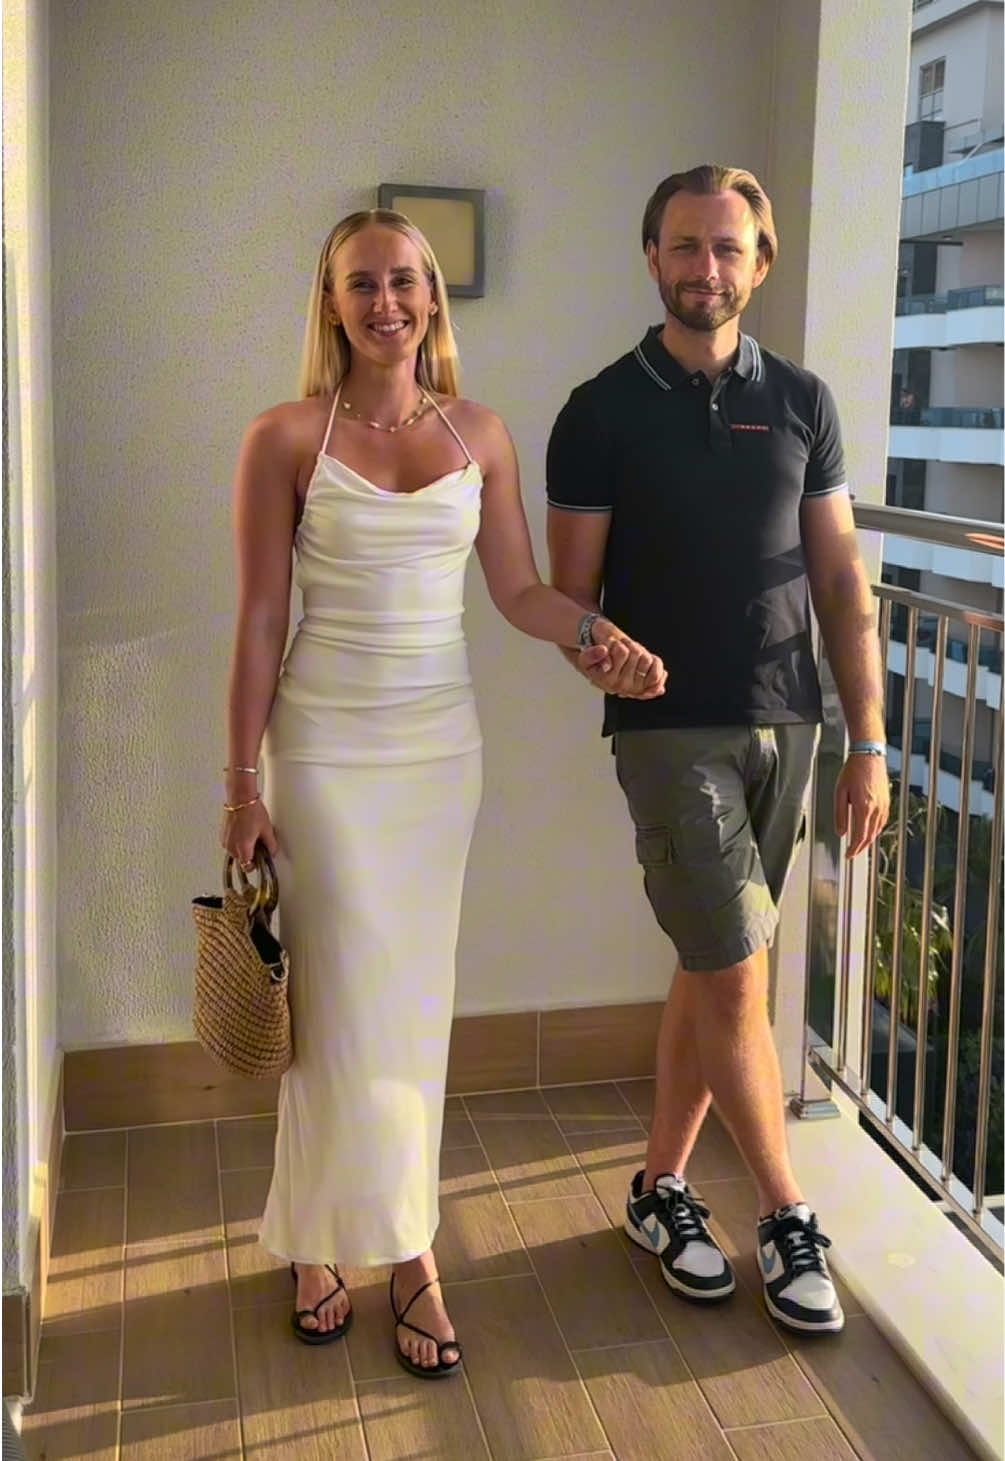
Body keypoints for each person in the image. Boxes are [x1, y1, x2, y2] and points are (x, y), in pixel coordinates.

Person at [218, 208, 665, 1378]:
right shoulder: (281, 438)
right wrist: (235, 786)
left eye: (405, 282)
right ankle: (319, 1237)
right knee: (335, 1006)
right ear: (330, 302)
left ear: (432, 299)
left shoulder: (481, 436)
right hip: (318, 753)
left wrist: (597, 633)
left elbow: (519, 591)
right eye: (362, 284)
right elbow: (261, 620)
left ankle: (407, 1249)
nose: (387, 302)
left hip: (436, 757)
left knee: (410, 1004)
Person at [545, 164, 890, 1335]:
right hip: (667, 727)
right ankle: (787, 1216)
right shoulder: (598, 410)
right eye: (685, 247)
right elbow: (569, 599)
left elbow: (842, 581)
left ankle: (659, 1189)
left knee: (710, 968)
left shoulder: (804, 400)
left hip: (787, 720)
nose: (707, 268)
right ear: (651, 256)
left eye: (727, 249)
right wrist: (605, 653)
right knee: (740, 967)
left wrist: (869, 742)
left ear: (761, 262)